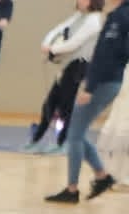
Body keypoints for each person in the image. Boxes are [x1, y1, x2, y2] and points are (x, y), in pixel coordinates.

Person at [45, 0, 126, 194]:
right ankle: (101, 176)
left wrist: (89, 87)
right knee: (76, 132)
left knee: (74, 134)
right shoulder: (116, 16)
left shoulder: (121, 17)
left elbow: (106, 56)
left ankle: (72, 189)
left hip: (104, 82)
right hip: (104, 80)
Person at [28, 0, 101, 146]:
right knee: (50, 103)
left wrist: (52, 50)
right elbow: (59, 29)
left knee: (66, 107)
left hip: (78, 66)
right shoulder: (79, 16)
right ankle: (35, 140)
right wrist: (46, 42)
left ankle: (62, 143)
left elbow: (74, 43)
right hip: (67, 66)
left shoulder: (93, 21)